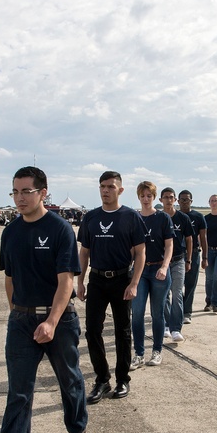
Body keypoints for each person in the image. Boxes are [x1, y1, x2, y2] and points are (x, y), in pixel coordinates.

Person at [0, 167, 88, 433]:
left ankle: (77, 426)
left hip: (59, 319)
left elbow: (66, 282)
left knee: (68, 378)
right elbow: (9, 279)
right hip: (22, 322)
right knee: (18, 392)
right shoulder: (10, 232)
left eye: (26, 192)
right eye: (15, 192)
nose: (19, 198)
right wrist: (18, 313)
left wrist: (51, 322)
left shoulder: (59, 230)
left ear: (44, 193)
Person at [76, 171, 146, 402]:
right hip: (96, 280)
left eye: (111, 187)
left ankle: (123, 380)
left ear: (120, 190)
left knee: (122, 332)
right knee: (92, 331)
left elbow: (140, 253)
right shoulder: (91, 218)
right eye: (102, 186)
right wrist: (80, 281)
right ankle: (102, 380)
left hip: (121, 280)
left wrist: (134, 283)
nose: (106, 190)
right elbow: (84, 252)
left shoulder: (130, 217)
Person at [130, 182, 173, 369]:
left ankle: (157, 351)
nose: (146, 199)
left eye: (149, 196)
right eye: (142, 196)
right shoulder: (134, 218)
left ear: (154, 197)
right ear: (138, 197)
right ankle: (139, 353)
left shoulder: (163, 218)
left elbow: (169, 245)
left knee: (157, 313)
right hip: (140, 272)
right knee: (137, 313)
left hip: (158, 271)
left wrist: (164, 267)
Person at [161, 187, 194, 342]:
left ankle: (176, 328)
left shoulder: (183, 218)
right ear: (160, 200)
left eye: (171, 197)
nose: (169, 200)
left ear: (175, 200)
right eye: (165, 197)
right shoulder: (158, 217)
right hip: (161, 262)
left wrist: (189, 260)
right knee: (164, 294)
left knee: (177, 294)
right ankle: (166, 326)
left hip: (179, 260)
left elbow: (189, 239)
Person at [177, 189, 207, 325]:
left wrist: (205, 257)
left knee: (190, 284)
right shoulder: (173, 216)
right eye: (182, 199)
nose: (184, 202)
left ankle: (186, 312)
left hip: (194, 253)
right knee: (176, 286)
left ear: (191, 201)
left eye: (187, 199)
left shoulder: (198, 217)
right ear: (178, 201)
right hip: (177, 254)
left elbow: (203, 238)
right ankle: (177, 310)